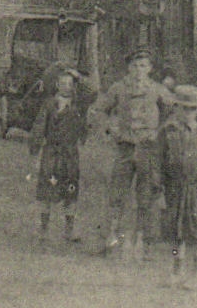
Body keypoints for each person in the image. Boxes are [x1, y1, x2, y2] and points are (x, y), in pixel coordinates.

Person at [92, 48, 178, 259]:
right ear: (129, 67)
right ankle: (111, 239)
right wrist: (110, 129)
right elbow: (99, 109)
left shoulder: (157, 90)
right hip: (125, 147)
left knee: (146, 195)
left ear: (149, 69)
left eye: (143, 66)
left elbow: (175, 109)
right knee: (117, 193)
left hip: (148, 149)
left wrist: (160, 131)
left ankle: (141, 242)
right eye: (135, 65)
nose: (138, 70)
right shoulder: (118, 88)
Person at [27, 64, 98, 243]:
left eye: (70, 83)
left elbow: (93, 92)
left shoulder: (79, 104)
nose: (66, 86)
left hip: (70, 154)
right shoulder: (49, 104)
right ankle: (44, 230)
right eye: (63, 83)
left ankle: (69, 230)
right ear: (57, 85)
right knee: (46, 191)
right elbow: (39, 127)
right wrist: (35, 152)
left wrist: (79, 77)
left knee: (71, 191)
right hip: (51, 153)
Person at [158, 85, 197, 290]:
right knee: (177, 232)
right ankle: (177, 270)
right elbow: (158, 163)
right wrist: (160, 192)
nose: (189, 112)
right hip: (175, 188)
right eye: (184, 108)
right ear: (176, 108)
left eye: (193, 109)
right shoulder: (167, 132)